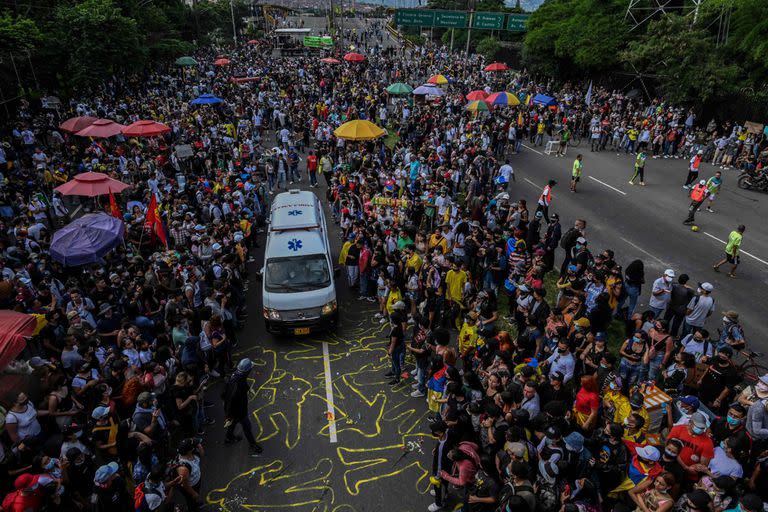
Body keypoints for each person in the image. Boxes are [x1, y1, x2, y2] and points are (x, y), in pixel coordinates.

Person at [222, 358, 263, 453]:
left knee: (233, 422)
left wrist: (247, 389)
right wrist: (228, 415)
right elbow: (230, 400)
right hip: (239, 410)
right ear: (247, 370)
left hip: (235, 410)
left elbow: (225, 394)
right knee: (247, 427)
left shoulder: (235, 376)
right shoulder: (238, 385)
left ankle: (228, 437)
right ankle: (253, 444)